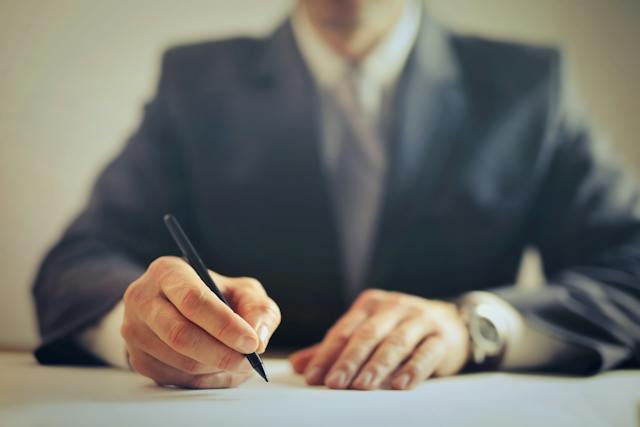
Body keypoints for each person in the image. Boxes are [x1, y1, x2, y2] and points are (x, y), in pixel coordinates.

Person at [33, 0, 640, 390]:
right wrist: (147, 326)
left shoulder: (527, 86)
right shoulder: (196, 82)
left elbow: (629, 271)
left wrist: (475, 327)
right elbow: (75, 266)